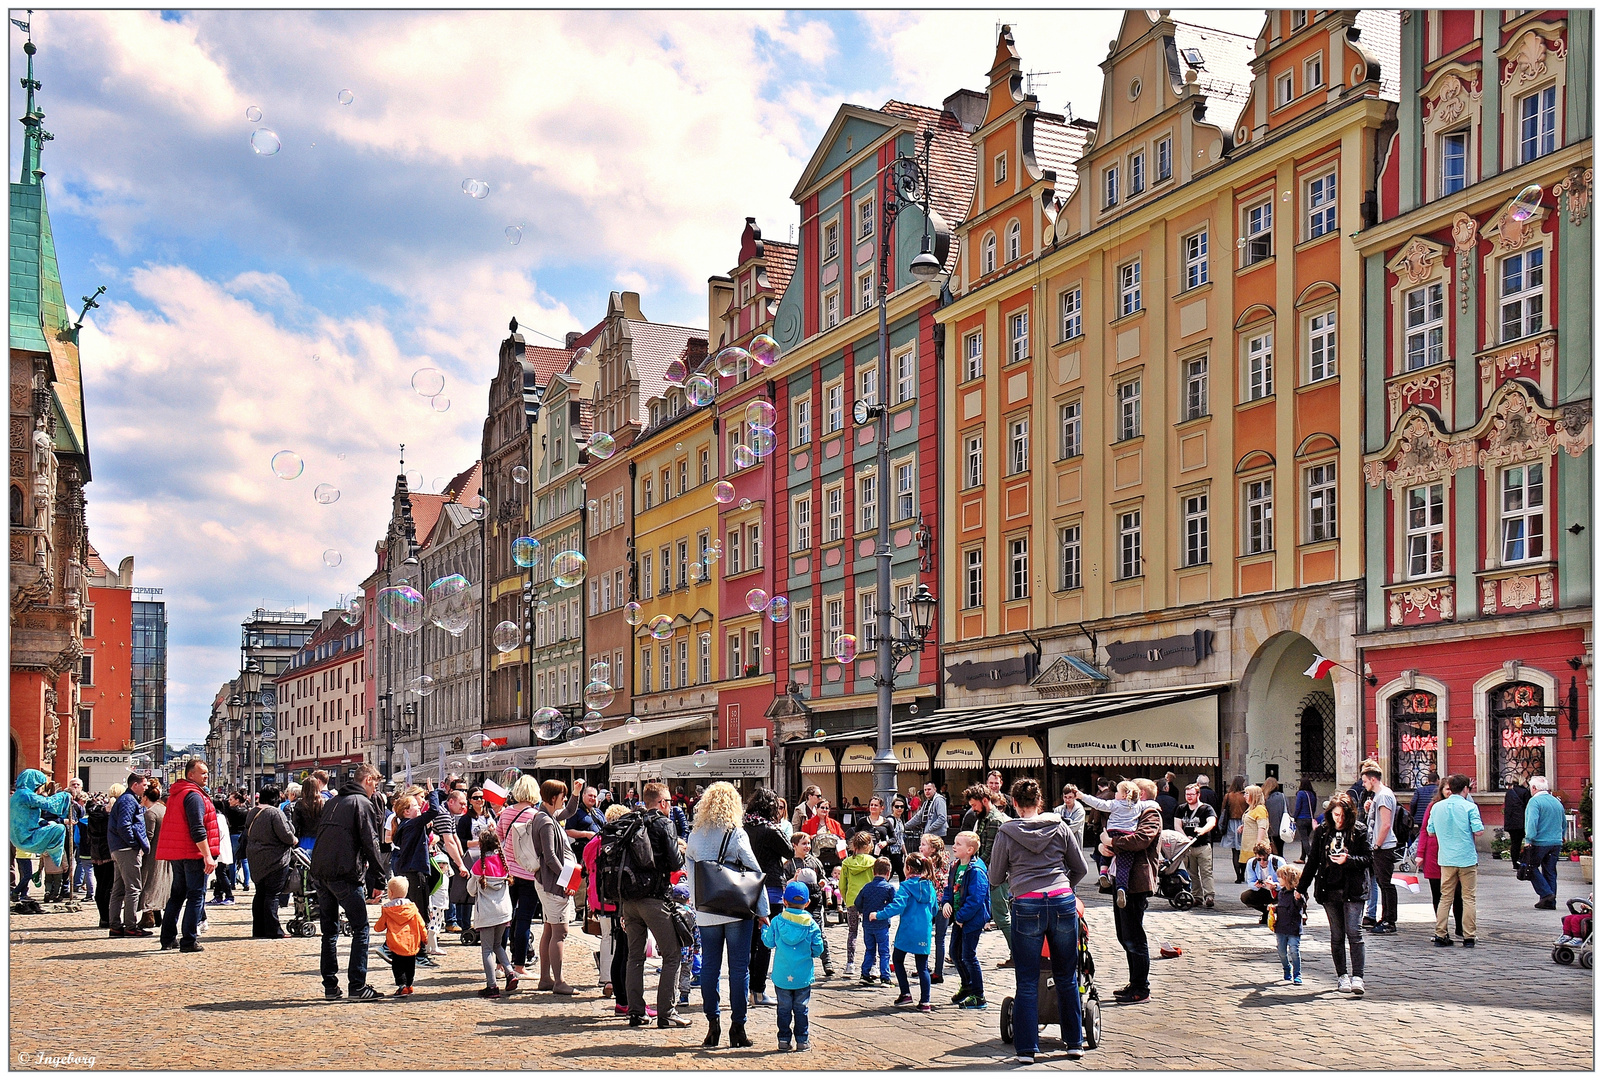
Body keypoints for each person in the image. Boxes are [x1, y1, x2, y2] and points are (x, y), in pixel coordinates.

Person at [989, 777, 1091, 1063]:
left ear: (1016, 804)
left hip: (1026, 904)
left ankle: (1027, 1048)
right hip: (1061, 900)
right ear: (1039, 801)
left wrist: (1016, 881)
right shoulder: (1060, 826)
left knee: (1028, 978)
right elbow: (1080, 867)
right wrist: (1065, 887)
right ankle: (1074, 1042)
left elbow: (995, 877)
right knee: (1066, 975)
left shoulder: (1006, 831)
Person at [685, 780, 769, 1048]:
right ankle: (738, 1027)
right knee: (738, 969)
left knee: (709, 966)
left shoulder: (695, 834)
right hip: (735, 907)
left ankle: (713, 1024)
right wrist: (763, 910)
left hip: (707, 909)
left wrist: (698, 905)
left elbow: (690, 875)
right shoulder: (736, 833)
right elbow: (755, 871)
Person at [308, 763, 386, 1001]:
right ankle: (357, 985)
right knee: (361, 927)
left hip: (321, 873)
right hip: (344, 873)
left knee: (329, 931)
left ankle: (331, 986)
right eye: (376, 784)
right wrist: (379, 878)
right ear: (369, 780)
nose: (376, 790)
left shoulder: (333, 802)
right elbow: (370, 842)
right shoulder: (361, 803)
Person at [620, 782, 691, 1029]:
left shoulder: (631, 821)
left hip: (629, 900)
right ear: (661, 803)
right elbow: (675, 863)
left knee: (635, 957)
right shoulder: (663, 823)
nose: (671, 806)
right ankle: (667, 1013)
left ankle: (636, 1012)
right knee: (672, 954)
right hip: (654, 898)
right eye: (669, 802)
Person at [1298, 792, 1371, 996]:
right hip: (1329, 888)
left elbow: (1368, 858)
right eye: (1335, 815)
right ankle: (1342, 976)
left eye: (1342, 816)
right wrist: (1300, 888)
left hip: (1353, 889)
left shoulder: (1359, 830)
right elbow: (1312, 861)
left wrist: (1348, 860)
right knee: (1337, 935)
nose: (1339, 820)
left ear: (1349, 815)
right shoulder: (1323, 831)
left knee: (1354, 932)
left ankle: (1358, 976)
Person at [156, 759, 220, 954]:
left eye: (207, 772)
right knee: (195, 896)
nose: (206, 776)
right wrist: (207, 855)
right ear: (190, 775)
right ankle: (188, 940)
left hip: (178, 852)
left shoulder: (178, 794)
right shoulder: (193, 796)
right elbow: (198, 829)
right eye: (202, 773)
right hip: (192, 853)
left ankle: (167, 938)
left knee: (177, 895)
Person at [527, 779, 580, 995]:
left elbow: (569, 811)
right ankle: (558, 981)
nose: (564, 799)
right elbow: (550, 857)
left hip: (547, 881)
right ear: (552, 798)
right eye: (562, 795)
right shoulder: (547, 822)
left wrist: (576, 792)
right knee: (560, 931)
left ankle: (545, 979)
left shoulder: (547, 815)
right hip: (552, 883)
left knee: (549, 929)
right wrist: (567, 878)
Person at [868, 851, 936, 1011]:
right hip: (924, 931)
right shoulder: (929, 885)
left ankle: (905, 993)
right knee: (923, 967)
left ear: (908, 868)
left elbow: (897, 906)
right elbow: (935, 908)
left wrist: (878, 914)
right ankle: (925, 1002)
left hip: (907, 930)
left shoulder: (906, 886)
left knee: (897, 959)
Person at [762, 880, 825, 1052]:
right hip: (803, 975)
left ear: (784, 901)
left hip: (782, 975)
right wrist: (810, 954)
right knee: (801, 1008)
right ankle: (802, 1041)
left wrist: (763, 930)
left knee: (783, 1009)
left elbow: (768, 943)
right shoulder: (811, 924)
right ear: (807, 903)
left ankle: (783, 1040)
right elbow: (818, 948)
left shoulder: (777, 921)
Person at [743, 787, 790, 1008]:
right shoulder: (770, 830)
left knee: (750, 942)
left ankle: (746, 989)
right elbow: (789, 851)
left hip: (747, 889)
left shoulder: (744, 828)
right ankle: (758, 991)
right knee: (765, 943)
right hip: (770, 888)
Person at [496, 775, 546, 978]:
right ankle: (519, 965)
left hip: (507, 873)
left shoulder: (506, 812)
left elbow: (499, 836)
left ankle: (501, 965)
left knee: (505, 918)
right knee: (524, 919)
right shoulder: (535, 815)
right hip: (528, 872)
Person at [586, 804, 634, 1014]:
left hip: (600, 897)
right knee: (623, 946)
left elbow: (587, 865)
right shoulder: (623, 841)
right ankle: (619, 989)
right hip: (619, 899)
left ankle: (606, 979)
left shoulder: (596, 841)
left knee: (608, 938)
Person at [1426, 773, 1483, 947]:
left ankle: (1441, 933)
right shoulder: (1469, 807)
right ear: (1465, 789)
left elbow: (1430, 831)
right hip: (1466, 858)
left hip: (1446, 858)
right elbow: (1479, 830)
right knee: (1468, 897)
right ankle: (1469, 936)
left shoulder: (1437, 807)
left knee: (1445, 897)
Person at [942, 829, 991, 1009]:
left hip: (971, 920)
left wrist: (961, 917)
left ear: (970, 850)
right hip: (959, 919)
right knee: (955, 953)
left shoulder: (976, 870)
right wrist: (946, 902)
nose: (953, 846)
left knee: (968, 955)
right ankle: (967, 985)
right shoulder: (955, 865)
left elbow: (976, 898)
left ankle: (979, 995)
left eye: (958, 844)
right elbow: (949, 888)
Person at [466, 829, 517, 997]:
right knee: (498, 945)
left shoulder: (479, 866)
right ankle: (510, 972)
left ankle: (492, 985)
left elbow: (471, 890)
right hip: (504, 912)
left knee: (487, 948)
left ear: (481, 845)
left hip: (487, 913)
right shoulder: (503, 863)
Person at [244, 786, 296, 938]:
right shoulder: (275, 813)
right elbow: (286, 835)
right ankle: (274, 930)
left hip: (255, 857)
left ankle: (259, 929)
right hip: (275, 859)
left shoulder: (253, 812)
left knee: (260, 893)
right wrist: (293, 839)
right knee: (272, 894)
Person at [783, 832, 834, 977]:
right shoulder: (789, 864)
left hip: (814, 901)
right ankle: (796, 963)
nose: (807, 846)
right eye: (803, 844)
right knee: (796, 932)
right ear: (794, 845)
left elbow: (823, 877)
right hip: (796, 905)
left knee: (818, 930)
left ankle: (827, 961)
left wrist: (823, 883)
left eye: (809, 843)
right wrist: (794, 879)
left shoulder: (815, 861)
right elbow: (784, 884)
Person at [107, 773, 150, 938]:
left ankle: (115, 926)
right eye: (144, 785)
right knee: (133, 888)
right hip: (126, 849)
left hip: (118, 848)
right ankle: (131, 926)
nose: (145, 788)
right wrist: (133, 844)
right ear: (135, 785)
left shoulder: (126, 799)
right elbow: (124, 825)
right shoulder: (128, 800)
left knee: (118, 889)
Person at [1359, 761, 1400, 935]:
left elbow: (1385, 824)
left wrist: (1376, 845)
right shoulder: (1380, 795)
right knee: (1383, 884)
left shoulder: (1383, 795)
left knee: (1386, 884)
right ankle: (1385, 918)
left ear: (1373, 779)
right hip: (1382, 845)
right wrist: (1370, 809)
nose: (1363, 784)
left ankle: (1390, 920)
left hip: (1384, 847)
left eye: (1365, 781)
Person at [373, 877, 428, 997]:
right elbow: (421, 924)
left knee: (398, 966)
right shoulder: (412, 908)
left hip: (396, 943)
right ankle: (409, 985)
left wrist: (376, 928)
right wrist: (425, 937)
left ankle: (402, 986)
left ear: (390, 893)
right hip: (411, 943)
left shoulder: (388, 910)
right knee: (410, 965)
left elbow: (380, 926)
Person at [1523, 775, 1565, 910]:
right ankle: (1550, 902)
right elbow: (1563, 823)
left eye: (1530, 787)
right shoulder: (1556, 802)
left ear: (1534, 788)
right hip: (1555, 842)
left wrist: (1528, 839)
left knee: (1531, 867)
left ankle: (1546, 894)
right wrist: (1561, 837)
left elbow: (1532, 822)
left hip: (1540, 842)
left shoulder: (1534, 802)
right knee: (1550, 871)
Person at [839, 832, 876, 973]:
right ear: (868, 845)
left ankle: (850, 964)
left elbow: (842, 885)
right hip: (869, 902)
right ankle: (873, 965)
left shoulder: (846, 863)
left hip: (852, 901)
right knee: (870, 933)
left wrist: (846, 898)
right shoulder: (873, 862)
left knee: (852, 932)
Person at [855, 857, 896, 984]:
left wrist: (864, 911)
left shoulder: (867, 887)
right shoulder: (889, 888)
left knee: (870, 950)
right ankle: (885, 977)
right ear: (888, 873)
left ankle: (865, 973)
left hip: (867, 924)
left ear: (873, 872)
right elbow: (894, 904)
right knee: (884, 951)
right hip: (882, 924)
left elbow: (857, 902)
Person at [1177, 783, 1218, 908]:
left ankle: (1209, 896)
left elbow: (1212, 821)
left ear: (1198, 795)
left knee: (1206, 872)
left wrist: (1203, 830)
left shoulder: (1206, 808)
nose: (1189, 797)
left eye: (1192, 794)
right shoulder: (1181, 808)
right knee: (1192, 873)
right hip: (1188, 847)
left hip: (1203, 845)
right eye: (1187, 794)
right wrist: (1185, 837)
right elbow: (1177, 825)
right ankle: (1196, 896)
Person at [137, 783, 171, 931]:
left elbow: (148, 836)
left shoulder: (150, 813)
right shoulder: (164, 810)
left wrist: (141, 852)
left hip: (153, 855)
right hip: (165, 853)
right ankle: (158, 916)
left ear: (145, 797)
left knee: (148, 883)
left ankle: (148, 916)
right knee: (161, 883)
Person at [920, 834, 950, 983]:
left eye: (923, 845)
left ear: (932, 849)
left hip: (929, 904)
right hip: (944, 904)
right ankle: (938, 972)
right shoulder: (946, 861)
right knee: (940, 939)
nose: (920, 847)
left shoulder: (925, 863)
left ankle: (923, 968)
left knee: (924, 935)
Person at [1271, 864, 1306, 985]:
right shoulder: (1282, 893)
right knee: (1281, 951)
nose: (1278, 880)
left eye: (1280, 877)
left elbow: (1301, 903)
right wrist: (1274, 909)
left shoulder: (1297, 894)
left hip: (1293, 927)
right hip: (1281, 927)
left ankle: (1297, 974)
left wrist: (1299, 898)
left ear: (1288, 879)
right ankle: (1287, 968)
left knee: (1294, 950)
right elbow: (1281, 906)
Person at [1240, 841, 1286, 924]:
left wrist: (1275, 885)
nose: (1262, 862)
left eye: (1265, 859)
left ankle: (1281, 912)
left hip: (1279, 892)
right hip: (1264, 891)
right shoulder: (1251, 863)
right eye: (1258, 859)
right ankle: (1267, 912)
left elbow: (1287, 882)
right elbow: (1250, 881)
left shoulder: (1278, 861)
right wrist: (1256, 885)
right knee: (1245, 896)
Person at [1503, 775, 1532, 869]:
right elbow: (1529, 807)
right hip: (1522, 822)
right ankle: (1525, 861)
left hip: (1511, 822)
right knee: (1528, 842)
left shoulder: (1509, 793)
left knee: (1515, 843)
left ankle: (1515, 863)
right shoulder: (1525, 792)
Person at [1223, 776, 1248, 882]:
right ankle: (1243, 874)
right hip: (1244, 823)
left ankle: (1238, 876)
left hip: (1231, 823)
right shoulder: (1245, 796)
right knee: (1244, 850)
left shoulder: (1228, 796)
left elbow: (1223, 810)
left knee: (1235, 852)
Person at [1293, 778, 1318, 863]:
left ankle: (1312, 858)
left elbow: (1298, 807)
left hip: (1301, 819)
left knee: (1304, 839)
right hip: (1310, 819)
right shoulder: (1313, 794)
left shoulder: (1300, 793)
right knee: (1305, 838)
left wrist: (1294, 817)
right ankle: (1302, 858)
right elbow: (1314, 807)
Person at [1263, 776, 1288, 858]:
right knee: (1280, 851)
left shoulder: (1264, 798)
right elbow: (1288, 810)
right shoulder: (1282, 796)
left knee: (1269, 851)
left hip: (1268, 828)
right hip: (1281, 827)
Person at [1055, 785, 1086, 849]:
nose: (1067, 800)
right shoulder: (1058, 810)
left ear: (1075, 797)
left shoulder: (1080, 811)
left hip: (1075, 844)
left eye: (1070, 797)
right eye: (1065, 797)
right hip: (1060, 845)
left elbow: (1074, 828)